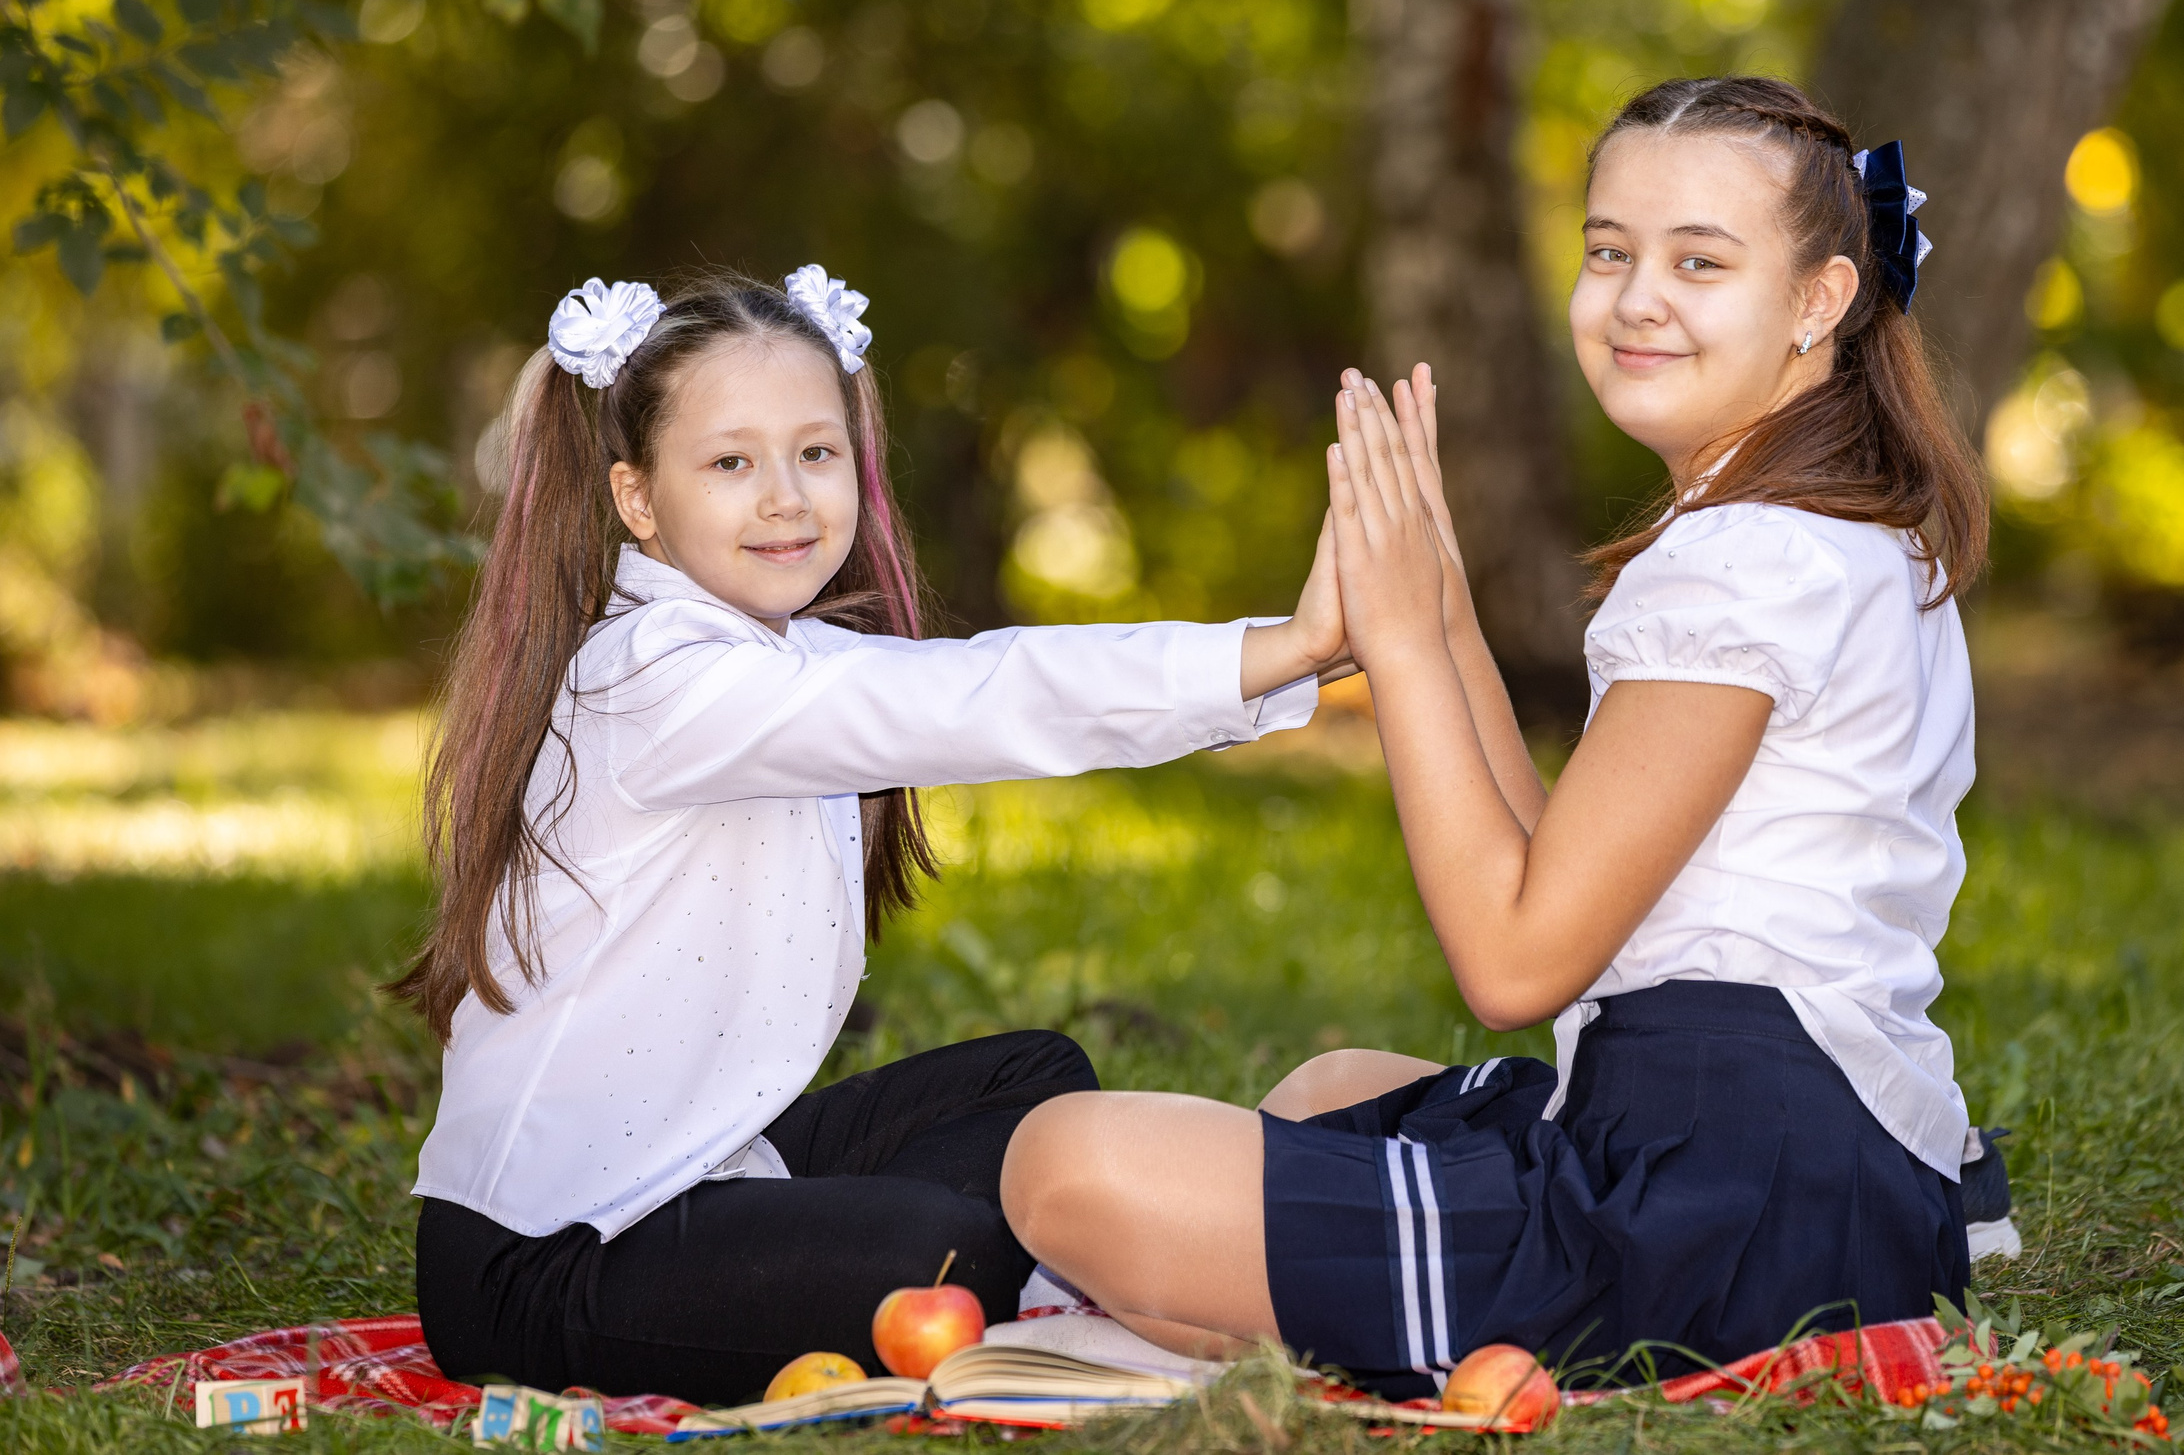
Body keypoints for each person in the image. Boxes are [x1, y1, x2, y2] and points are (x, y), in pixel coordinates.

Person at [1001, 77, 1986, 1395]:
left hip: (1727, 1216)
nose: (1637, 296)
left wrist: (1400, 648)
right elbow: (1569, 876)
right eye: (1609, 250)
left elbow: (1517, 961)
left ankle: (1259, 1317)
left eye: (1700, 260)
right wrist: (1447, 604)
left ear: (1819, 298)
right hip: (1813, 1177)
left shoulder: (1748, 562)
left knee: (1064, 1162)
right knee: (1330, 1086)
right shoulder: (1828, 530)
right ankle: (1266, 1307)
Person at [394, 266, 1344, 1404]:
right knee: (943, 1260)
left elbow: (967, 683)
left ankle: (1067, 1261)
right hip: (543, 1264)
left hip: (704, 1170)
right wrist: (1285, 648)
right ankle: (1087, 1280)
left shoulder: (774, 654)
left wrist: (1303, 657)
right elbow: (983, 696)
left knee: (1040, 1087)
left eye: (816, 452)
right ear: (637, 500)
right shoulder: (656, 680)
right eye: (731, 462)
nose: (787, 498)